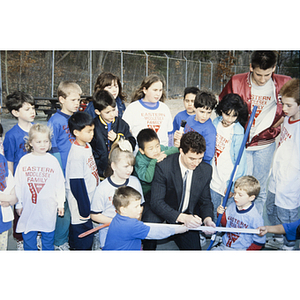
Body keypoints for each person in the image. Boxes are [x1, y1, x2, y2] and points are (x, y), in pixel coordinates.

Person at [219, 51, 291, 215]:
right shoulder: (237, 81)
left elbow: (292, 108)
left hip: (265, 144)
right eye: (259, 74)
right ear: (251, 67)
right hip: (240, 142)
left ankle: (254, 226)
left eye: (268, 74)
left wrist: (275, 126)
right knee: (237, 186)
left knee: (258, 187)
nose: (263, 79)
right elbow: (224, 106)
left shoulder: (284, 83)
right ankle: (232, 223)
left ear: (274, 68)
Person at [142, 131, 215, 250]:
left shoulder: (206, 170)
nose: (196, 163)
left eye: (200, 158)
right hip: (162, 207)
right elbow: (156, 202)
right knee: (150, 225)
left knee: (194, 251)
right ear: (181, 151)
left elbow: (205, 200)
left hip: (187, 212)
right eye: (192, 158)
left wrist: (208, 219)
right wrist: (182, 217)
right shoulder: (164, 166)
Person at [14, 124, 65, 251]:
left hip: (48, 208)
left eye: (46, 141)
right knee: (28, 235)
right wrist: (18, 204)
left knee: (48, 238)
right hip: (29, 207)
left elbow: (59, 183)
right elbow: (18, 184)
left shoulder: (52, 161)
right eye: (38, 141)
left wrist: (60, 203)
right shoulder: (25, 161)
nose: (43, 145)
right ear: (30, 142)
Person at [265, 78, 300, 250]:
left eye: (288, 105)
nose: (284, 109)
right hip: (278, 173)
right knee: (271, 208)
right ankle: (279, 238)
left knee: (287, 215)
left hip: (291, 180)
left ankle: (289, 245)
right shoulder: (288, 117)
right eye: (283, 104)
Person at [90, 139, 144, 249]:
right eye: (125, 166)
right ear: (113, 166)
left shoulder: (135, 182)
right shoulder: (103, 188)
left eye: (131, 166)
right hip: (109, 235)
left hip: (131, 233)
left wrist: (135, 222)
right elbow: (94, 215)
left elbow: (141, 206)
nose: (130, 169)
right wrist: (117, 222)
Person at [48, 80, 82, 250]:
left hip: (76, 170)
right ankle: (58, 243)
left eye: (79, 100)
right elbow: (52, 148)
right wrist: (59, 172)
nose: (77, 103)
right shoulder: (55, 120)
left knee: (74, 207)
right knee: (64, 209)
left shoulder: (77, 119)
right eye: (73, 100)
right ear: (61, 99)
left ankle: (65, 239)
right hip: (62, 173)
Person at [103, 186, 188, 251]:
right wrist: (177, 230)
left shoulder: (118, 218)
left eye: (140, 205)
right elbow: (155, 233)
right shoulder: (131, 225)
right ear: (123, 209)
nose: (140, 209)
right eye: (136, 206)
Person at [3, 90, 36, 250]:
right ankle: (20, 242)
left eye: (33, 107)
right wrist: (12, 185)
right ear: (16, 112)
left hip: (37, 179)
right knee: (21, 214)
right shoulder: (11, 135)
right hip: (21, 183)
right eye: (27, 109)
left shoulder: (38, 130)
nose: (33, 111)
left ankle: (36, 239)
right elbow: (9, 162)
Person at [210, 93, 248, 222]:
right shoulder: (215, 123)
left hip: (229, 178)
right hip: (215, 175)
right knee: (213, 208)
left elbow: (241, 162)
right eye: (227, 114)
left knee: (228, 213)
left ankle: (225, 236)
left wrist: (233, 185)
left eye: (234, 115)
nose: (230, 119)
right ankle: (212, 233)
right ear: (221, 110)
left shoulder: (238, 130)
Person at [65, 111, 100, 250]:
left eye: (93, 130)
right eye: (89, 131)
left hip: (88, 197)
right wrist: (84, 209)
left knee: (86, 232)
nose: (92, 134)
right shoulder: (76, 154)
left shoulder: (86, 145)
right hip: (80, 202)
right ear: (76, 132)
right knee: (82, 234)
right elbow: (76, 184)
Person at [90, 89, 136, 178]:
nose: (112, 114)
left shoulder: (122, 124)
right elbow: (91, 148)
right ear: (98, 112)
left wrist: (118, 139)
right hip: (100, 172)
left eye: (113, 110)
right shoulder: (93, 126)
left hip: (120, 171)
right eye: (107, 112)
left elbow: (132, 143)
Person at [213, 175, 266, 250]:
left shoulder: (255, 217)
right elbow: (226, 225)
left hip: (241, 249)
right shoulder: (232, 206)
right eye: (235, 193)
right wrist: (221, 214)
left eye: (240, 195)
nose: (235, 197)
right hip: (225, 245)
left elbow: (259, 242)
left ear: (251, 198)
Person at [122, 74, 173, 149]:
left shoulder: (164, 108)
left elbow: (170, 134)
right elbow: (124, 133)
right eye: (155, 90)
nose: (158, 94)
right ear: (145, 90)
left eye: (160, 90)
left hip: (161, 154)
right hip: (140, 156)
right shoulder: (133, 108)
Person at [134, 128, 179, 201]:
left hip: (157, 186)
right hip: (143, 193)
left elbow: (176, 149)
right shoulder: (139, 160)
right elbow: (148, 179)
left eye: (157, 146)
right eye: (151, 149)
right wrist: (154, 161)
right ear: (142, 151)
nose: (155, 151)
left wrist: (165, 153)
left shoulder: (160, 149)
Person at [174, 89, 217, 164]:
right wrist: (178, 139)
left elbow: (209, 155)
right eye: (202, 112)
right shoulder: (190, 119)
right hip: (185, 160)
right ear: (194, 107)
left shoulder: (210, 130)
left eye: (209, 113)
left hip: (200, 164)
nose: (204, 116)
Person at [0, 153, 17, 250]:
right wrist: (7, 198)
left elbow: (14, 196)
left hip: (2, 220)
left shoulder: (2, 160)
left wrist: (10, 199)